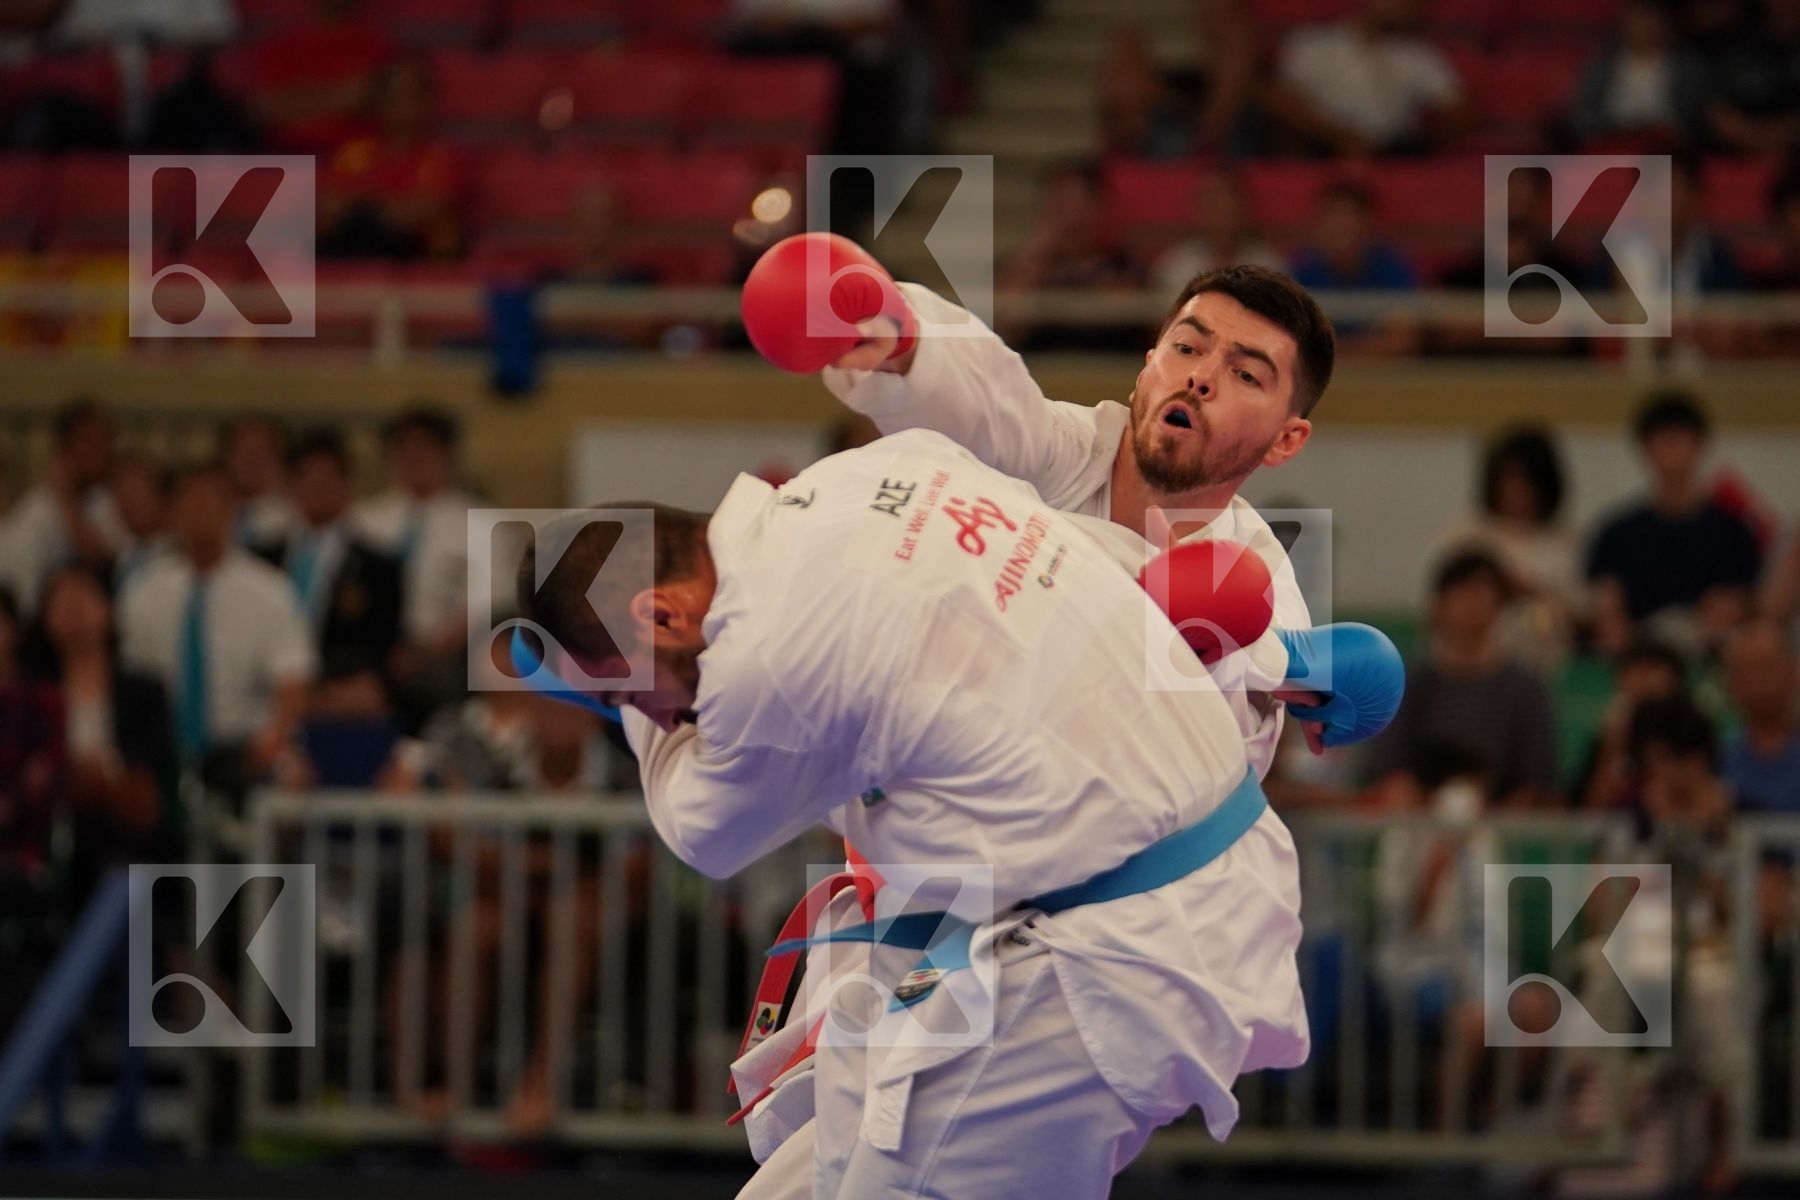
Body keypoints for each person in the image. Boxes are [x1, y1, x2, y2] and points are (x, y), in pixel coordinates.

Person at [728, 239, 1403, 1194]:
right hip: (929, 923)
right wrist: (896, 336)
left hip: (1077, 965)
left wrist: (1271, 661)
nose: (1201, 377)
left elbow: (1187, 765)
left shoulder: (1256, 593)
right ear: (1148, 362)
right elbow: (989, 402)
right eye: (1188, 347)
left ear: (1287, 439)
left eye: (1245, 373)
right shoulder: (1055, 459)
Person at [522, 429, 1314, 1197]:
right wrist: (1279, 658)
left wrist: (629, 714)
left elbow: (703, 830)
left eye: (626, 694)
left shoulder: (762, 656)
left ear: (661, 616)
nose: (660, 719)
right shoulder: (885, 466)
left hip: (1109, 942)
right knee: (819, 1178)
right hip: (1047, 909)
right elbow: (1085, 548)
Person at [119, 463, 316, 802]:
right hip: (164, 753)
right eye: (190, 503)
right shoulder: (144, 593)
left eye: (209, 503)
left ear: (230, 511)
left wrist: (271, 742)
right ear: (173, 512)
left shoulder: (271, 592)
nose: (199, 514)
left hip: (245, 752)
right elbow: (131, 682)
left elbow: (293, 681)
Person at [1366, 549, 1561, 809]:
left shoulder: (1526, 689)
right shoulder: (1408, 685)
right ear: (1438, 605)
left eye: (1484, 593)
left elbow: (1535, 781)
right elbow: (1389, 771)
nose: (1473, 603)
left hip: (1500, 821)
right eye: (1463, 591)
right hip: (1417, 820)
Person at [27, 564, 179, 890]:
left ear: (109, 609)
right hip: (56, 815)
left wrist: (109, 772)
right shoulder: (32, 692)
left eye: (83, 597)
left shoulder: (144, 689)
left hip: (125, 809)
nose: (74, 610)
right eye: (62, 601)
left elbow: (157, 753)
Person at [1586, 391, 1763, 658]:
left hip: (1713, 655)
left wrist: (1732, 608)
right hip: (1638, 658)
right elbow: (1605, 597)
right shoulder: (1617, 533)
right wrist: (1610, 618)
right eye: (1661, 439)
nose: (1670, 449)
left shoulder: (1733, 532)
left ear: (1699, 445)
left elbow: (1747, 599)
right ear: (1645, 449)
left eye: (1678, 438)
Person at [252, 427, 403, 716]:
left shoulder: (379, 565)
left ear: (348, 485)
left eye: (329, 476)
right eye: (309, 476)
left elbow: (383, 645)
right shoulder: (261, 558)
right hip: (266, 693)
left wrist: (338, 690)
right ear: (290, 484)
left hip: (345, 701)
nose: (319, 485)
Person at [353, 405, 475, 731]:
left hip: (444, 657)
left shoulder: (476, 521)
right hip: (373, 654)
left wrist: (423, 653)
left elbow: (484, 606)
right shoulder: (363, 520)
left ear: (447, 455)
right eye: (403, 448)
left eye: (425, 448)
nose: (414, 457)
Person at [1432, 426, 1581, 671]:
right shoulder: (1466, 537)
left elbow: (1577, 614)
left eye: (1526, 480)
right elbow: (1439, 603)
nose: (1515, 489)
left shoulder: (1567, 543)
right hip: (1467, 667)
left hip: (1541, 666)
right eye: (1507, 479)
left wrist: (1533, 591)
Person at [1265, 0, 1472, 157]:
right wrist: (1340, 137)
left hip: (1392, 155)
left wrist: (1421, 143)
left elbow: (1462, 112)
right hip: (1320, 149)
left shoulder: (1420, 56)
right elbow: (1281, 99)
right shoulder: (1313, 43)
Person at [318, 56, 466, 263]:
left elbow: (422, 212)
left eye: (411, 95)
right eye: (393, 95)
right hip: (349, 250)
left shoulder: (445, 158)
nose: (402, 104)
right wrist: (383, 207)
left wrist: (363, 204)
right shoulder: (352, 154)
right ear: (378, 102)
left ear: (428, 101)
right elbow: (328, 209)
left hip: (418, 258)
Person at [0, 397, 120, 617]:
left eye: (106, 439)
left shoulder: (106, 498)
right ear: (65, 448)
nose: (103, 450)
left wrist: (68, 503)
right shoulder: (37, 512)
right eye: (89, 441)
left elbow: (105, 562)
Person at [1287, 181, 1421, 356]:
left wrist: (1330, 354)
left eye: (1350, 216)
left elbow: (1402, 342)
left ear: (1369, 223)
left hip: (1380, 372)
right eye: (1332, 217)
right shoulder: (1298, 272)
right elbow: (1293, 347)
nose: (1341, 226)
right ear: (1317, 223)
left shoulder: (1391, 268)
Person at [1570, 0, 1708, 150]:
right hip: (1613, 137)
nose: (1644, 28)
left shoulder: (1686, 65)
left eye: (1650, 21)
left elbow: (1696, 114)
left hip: (1666, 143)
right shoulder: (1603, 63)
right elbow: (1585, 111)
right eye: (1637, 21)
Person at [1149, 169, 1285, 298]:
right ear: (1197, 209)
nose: (1221, 208)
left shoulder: (1269, 266)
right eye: (1212, 200)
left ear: (1245, 206)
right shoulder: (1174, 267)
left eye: (1228, 199)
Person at [1722, 619, 1800, 812]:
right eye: (1746, 670)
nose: (1758, 681)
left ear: (1793, 673)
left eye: (1766, 667)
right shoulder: (1716, 758)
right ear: (1731, 683)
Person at [220, 415, 298, 549]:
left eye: (261, 453)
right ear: (228, 457)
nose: (252, 462)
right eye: (245, 452)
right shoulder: (210, 511)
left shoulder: (294, 516)